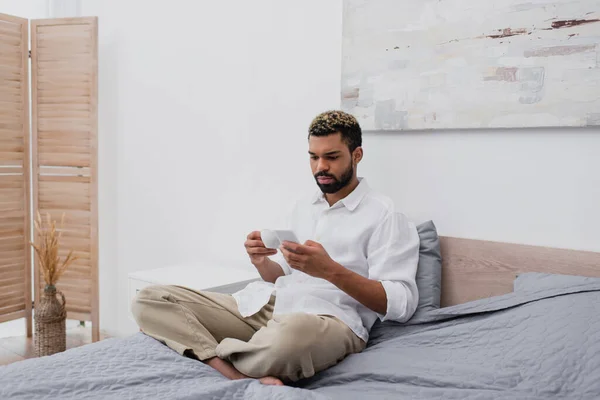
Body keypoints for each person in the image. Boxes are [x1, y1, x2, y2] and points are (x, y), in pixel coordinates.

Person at [131, 110, 420, 386]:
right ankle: (231, 369)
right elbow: (278, 275)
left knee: (291, 339)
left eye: (331, 157)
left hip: (330, 319)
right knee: (151, 299)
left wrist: (330, 271)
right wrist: (260, 261)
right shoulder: (303, 206)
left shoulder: (386, 215)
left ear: (357, 155)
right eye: (314, 157)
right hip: (270, 307)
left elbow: (401, 304)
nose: (321, 167)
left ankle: (199, 348)